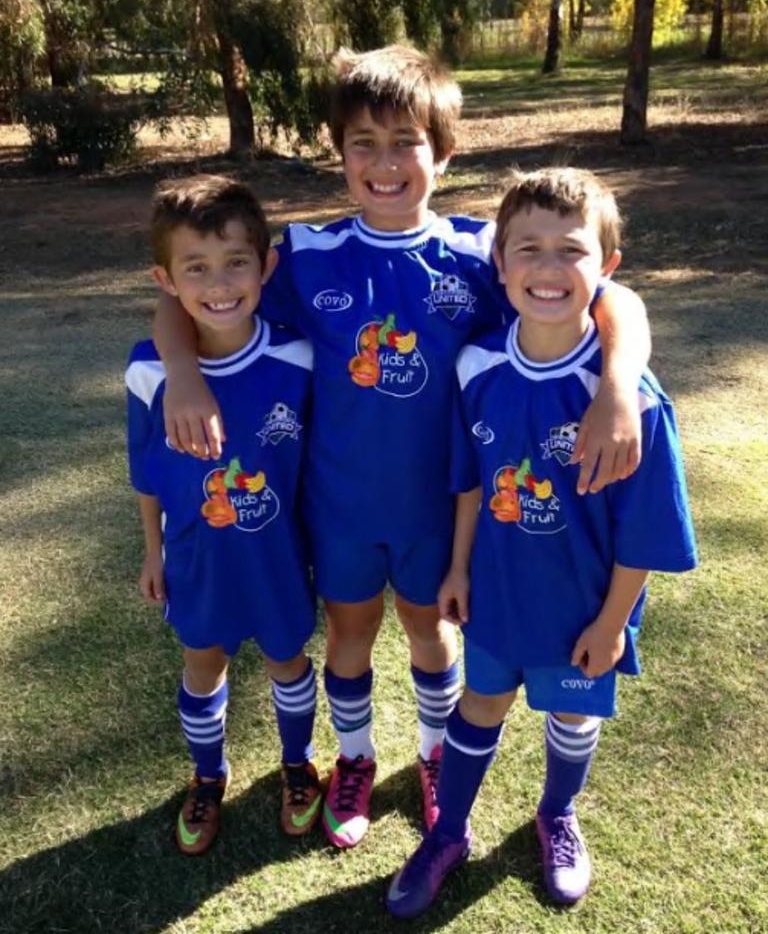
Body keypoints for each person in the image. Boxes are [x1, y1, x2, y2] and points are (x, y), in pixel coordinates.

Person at [152, 47, 652, 850]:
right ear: (338, 152)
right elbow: (187, 298)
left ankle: (431, 756)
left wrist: (619, 384)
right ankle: (354, 760)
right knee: (349, 638)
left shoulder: (482, 255)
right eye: (363, 142)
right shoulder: (307, 256)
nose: (384, 162)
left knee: (432, 634)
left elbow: (615, 293)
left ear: (444, 151)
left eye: (406, 141)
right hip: (340, 509)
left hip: (443, 517)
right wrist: (180, 371)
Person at [385, 167, 697, 918]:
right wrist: (458, 566)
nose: (548, 269)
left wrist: (612, 621)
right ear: (499, 264)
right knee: (480, 704)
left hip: (585, 608)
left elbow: (646, 533)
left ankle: (556, 815)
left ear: (607, 267)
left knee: (572, 716)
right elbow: (468, 478)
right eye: (527, 249)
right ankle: (448, 833)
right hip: (496, 591)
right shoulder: (478, 364)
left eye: (571, 250)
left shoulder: (630, 401)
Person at [126, 175, 321, 855]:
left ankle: (297, 765)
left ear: (266, 265)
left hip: (277, 555)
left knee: (288, 660)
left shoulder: (298, 354)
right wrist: (153, 550)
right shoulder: (150, 372)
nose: (219, 282)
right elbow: (146, 472)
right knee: (202, 662)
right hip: (195, 555)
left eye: (237, 261)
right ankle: (208, 775)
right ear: (165, 278)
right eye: (196, 268)